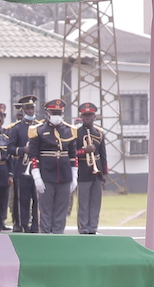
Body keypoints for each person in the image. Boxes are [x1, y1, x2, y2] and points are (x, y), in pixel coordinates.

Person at [28, 99, 76, 234]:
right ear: (47, 113)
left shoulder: (69, 130)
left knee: (61, 209)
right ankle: (46, 236)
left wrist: (74, 175)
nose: (56, 115)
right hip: (46, 175)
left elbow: (73, 155)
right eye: (53, 112)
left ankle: (58, 235)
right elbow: (33, 155)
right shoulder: (38, 130)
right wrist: (36, 175)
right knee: (46, 209)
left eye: (59, 113)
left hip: (65, 175)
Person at [8, 94, 41, 233]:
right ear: (22, 110)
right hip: (22, 168)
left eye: (32, 108)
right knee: (23, 200)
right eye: (27, 108)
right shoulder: (16, 128)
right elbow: (10, 148)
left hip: (38, 168)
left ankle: (36, 225)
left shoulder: (41, 126)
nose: (30, 110)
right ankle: (23, 225)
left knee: (38, 200)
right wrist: (23, 150)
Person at [74, 102, 109, 234]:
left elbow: (103, 154)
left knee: (96, 202)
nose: (87, 118)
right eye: (85, 115)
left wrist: (104, 173)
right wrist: (85, 150)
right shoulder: (76, 133)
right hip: (83, 171)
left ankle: (93, 227)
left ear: (95, 116)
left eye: (90, 115)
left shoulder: (99, 133)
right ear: (81, 117)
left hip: (97, 171)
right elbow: (72, 153)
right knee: (83, 202)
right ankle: (83, 228)